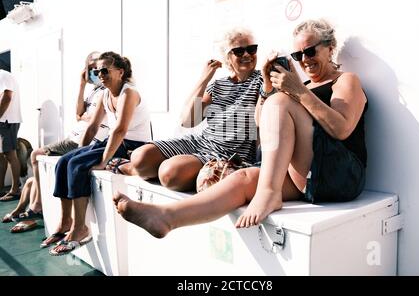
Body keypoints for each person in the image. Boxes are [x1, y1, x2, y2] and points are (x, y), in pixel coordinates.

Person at [113, 18, 368, 238]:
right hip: (308, 175)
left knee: (280, 103)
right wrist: (271, 87)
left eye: (310, 52)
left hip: (340, 175)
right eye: (298, 55)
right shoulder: (293, 87)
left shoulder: (345, 80)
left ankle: (269, 193)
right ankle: (167, 218)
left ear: (330, 49)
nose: (305, 60)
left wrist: (295, 91)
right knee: (242, 179)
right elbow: (260, 123)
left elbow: (342, 129)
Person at [117, 27, 262, 191]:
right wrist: (205, 77)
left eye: (251, 49)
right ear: (227, 56)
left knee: (170, 174)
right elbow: (188, 120)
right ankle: (137, 168)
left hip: (229, 152)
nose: (246, 55)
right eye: (238, 51)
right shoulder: (218, 85)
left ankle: (143, 170)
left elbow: (260, 119)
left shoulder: (261, 81)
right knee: (140, 156)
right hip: (200, 141)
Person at [48, 51, 151, 255]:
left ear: (120, 72)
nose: (100, 75)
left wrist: (104, 161)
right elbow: (93, 126)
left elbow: (120, 129)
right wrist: (78, 151)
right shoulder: (104, 93)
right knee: (64, 162)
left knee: (77, 165)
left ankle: (81, 228)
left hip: (133, 145)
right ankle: (65, 221)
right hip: (116, 140)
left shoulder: (129, 93)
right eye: (97, 71)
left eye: (105, 70)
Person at [2, 52, 109, 237]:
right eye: (90, 67)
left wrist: (85, 116)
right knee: (36, 155)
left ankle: (37, 205)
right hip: (73, 137)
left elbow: (94, 120)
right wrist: (82, 85)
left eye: (97, 67)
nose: (94, 71)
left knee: (44, 159)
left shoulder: (106, 90)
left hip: (88, 139)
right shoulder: (92, 90)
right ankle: (37, 203)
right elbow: (78, 114)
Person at [0, 69, 22, 202]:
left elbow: (7, 97)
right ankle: (1, 187)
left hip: (7, 121)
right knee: (2, 156)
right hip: (4, 120)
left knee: (10, 154)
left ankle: (15, 190)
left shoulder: (2, 75)